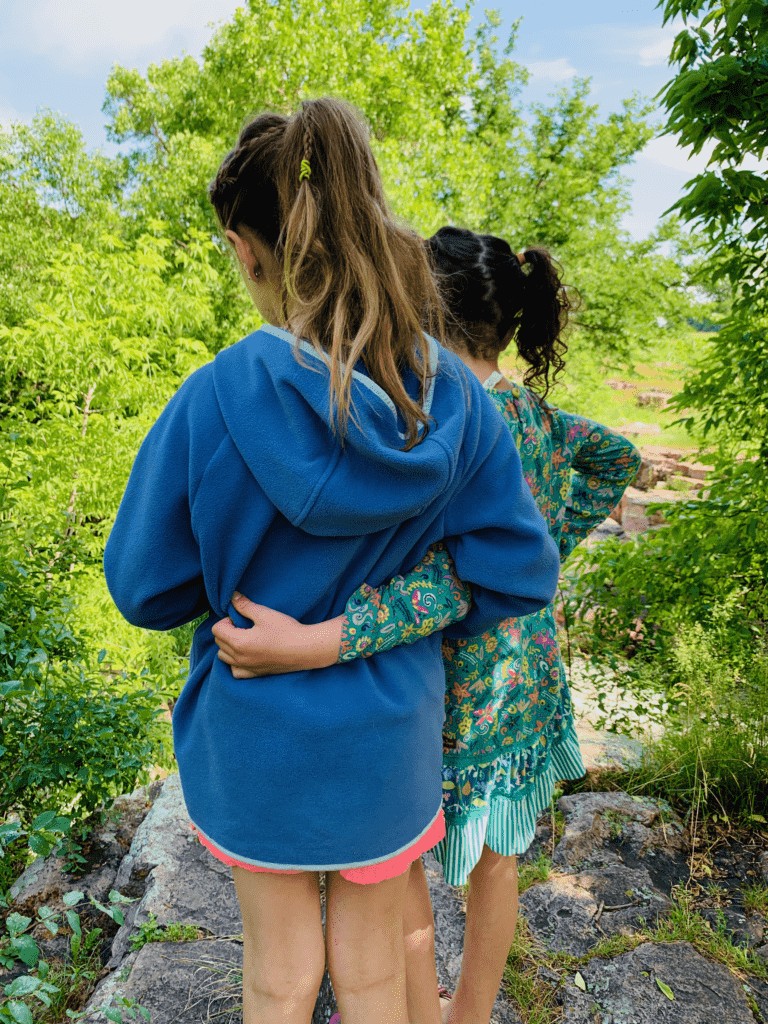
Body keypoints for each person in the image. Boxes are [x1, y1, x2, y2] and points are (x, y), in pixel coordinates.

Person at [103, 104, 561, 1024]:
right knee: (373, 973)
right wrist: (366, 621)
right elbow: (515, 570)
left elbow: (143, 586)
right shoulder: (456, 400)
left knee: (277, 976)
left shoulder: (214, 397)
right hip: (388, 744)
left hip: (254, 737)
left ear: (245, 248)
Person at [212, 225, 642, 1024]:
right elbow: (616, 457)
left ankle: (414, 1013)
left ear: (420, 304)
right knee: (498, 866)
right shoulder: (533, 416)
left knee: (402, 870)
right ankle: (469, 1014)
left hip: (451, 691)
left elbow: (446, 583)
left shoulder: (448, 422)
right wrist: (548, 540)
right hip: (526, 681)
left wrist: (328, 633)